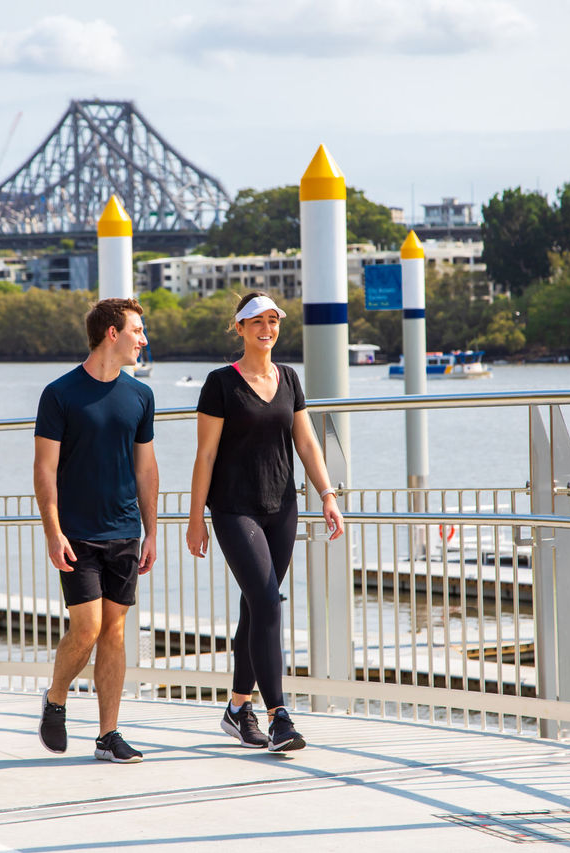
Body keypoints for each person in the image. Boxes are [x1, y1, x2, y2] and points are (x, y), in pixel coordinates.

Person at [186, 291, 344, 752]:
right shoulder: (220, 383)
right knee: (268, 600)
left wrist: (328, 496)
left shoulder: (290, 378)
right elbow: (206, 454)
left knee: (256, 607)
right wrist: (196, 519)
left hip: (282, 507)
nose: (266, 328)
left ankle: (238, 708)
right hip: (234, 508)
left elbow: (308, 445)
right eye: (256, 321)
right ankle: (279, 716)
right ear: (239, 328)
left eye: (273, 320)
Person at [34, 298, 158, 764]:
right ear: (112, 332)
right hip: (77, 531)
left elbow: (146, 469)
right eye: (137, 331)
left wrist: (151, 531)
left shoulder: (141, 396)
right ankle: (56, 698)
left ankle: (109, 735)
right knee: (86, 627)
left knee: (116, 633)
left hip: (125, 531)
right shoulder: (60, 394)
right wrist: (53, 530)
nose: (143, 340)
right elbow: (44, 469)